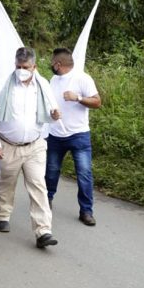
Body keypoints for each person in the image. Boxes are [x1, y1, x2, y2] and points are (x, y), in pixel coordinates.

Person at [0, 47, 61, 249]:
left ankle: (43, 231)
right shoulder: (4, 85)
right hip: (8, 145)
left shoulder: (43, 85)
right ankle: (2, 214)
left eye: (26, 67)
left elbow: (52, 113)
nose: (22, 70)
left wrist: (54, 116)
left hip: (35, 146)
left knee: (38, 186)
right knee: (6, 182)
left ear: (34, 66)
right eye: (18, 66)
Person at [45, 48, 102, 226]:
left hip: (79, 134)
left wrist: (77, 97)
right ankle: (46, 202)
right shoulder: (53, 80)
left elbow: (97, 102)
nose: (51, 65)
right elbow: (49, 103)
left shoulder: (82, 78)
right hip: (55, 134)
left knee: (84, 173)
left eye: (52, 62)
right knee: (51, 171)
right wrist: (52, 114)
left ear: (58, 64)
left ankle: (86, 211)